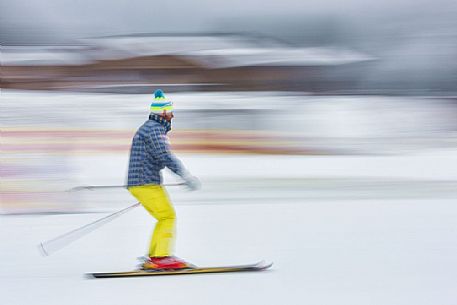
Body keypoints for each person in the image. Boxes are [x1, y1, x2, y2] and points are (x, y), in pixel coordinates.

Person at [127, 89, 200, 270]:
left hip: (143, 182)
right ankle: (160, 257)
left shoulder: (150, 128)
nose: (173, 115)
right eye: (170, 111)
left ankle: (154, 257)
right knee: (167, 216)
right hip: (145, 183)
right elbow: (164, 155)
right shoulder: (154, 130)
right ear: (163, 113)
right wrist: (185, 175)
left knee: (164, 217)